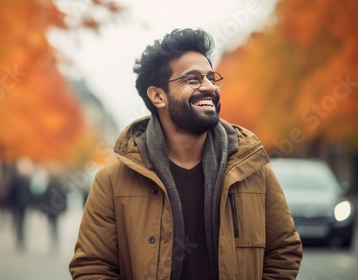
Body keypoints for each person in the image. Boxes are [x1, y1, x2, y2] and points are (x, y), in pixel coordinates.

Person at [69, 28, 303, 279]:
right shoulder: (113, 179)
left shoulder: (253, 169)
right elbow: (92, 266)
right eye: (193, 79)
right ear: (158, 95)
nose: (209, 87)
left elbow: (284, 251)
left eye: (211, 78)